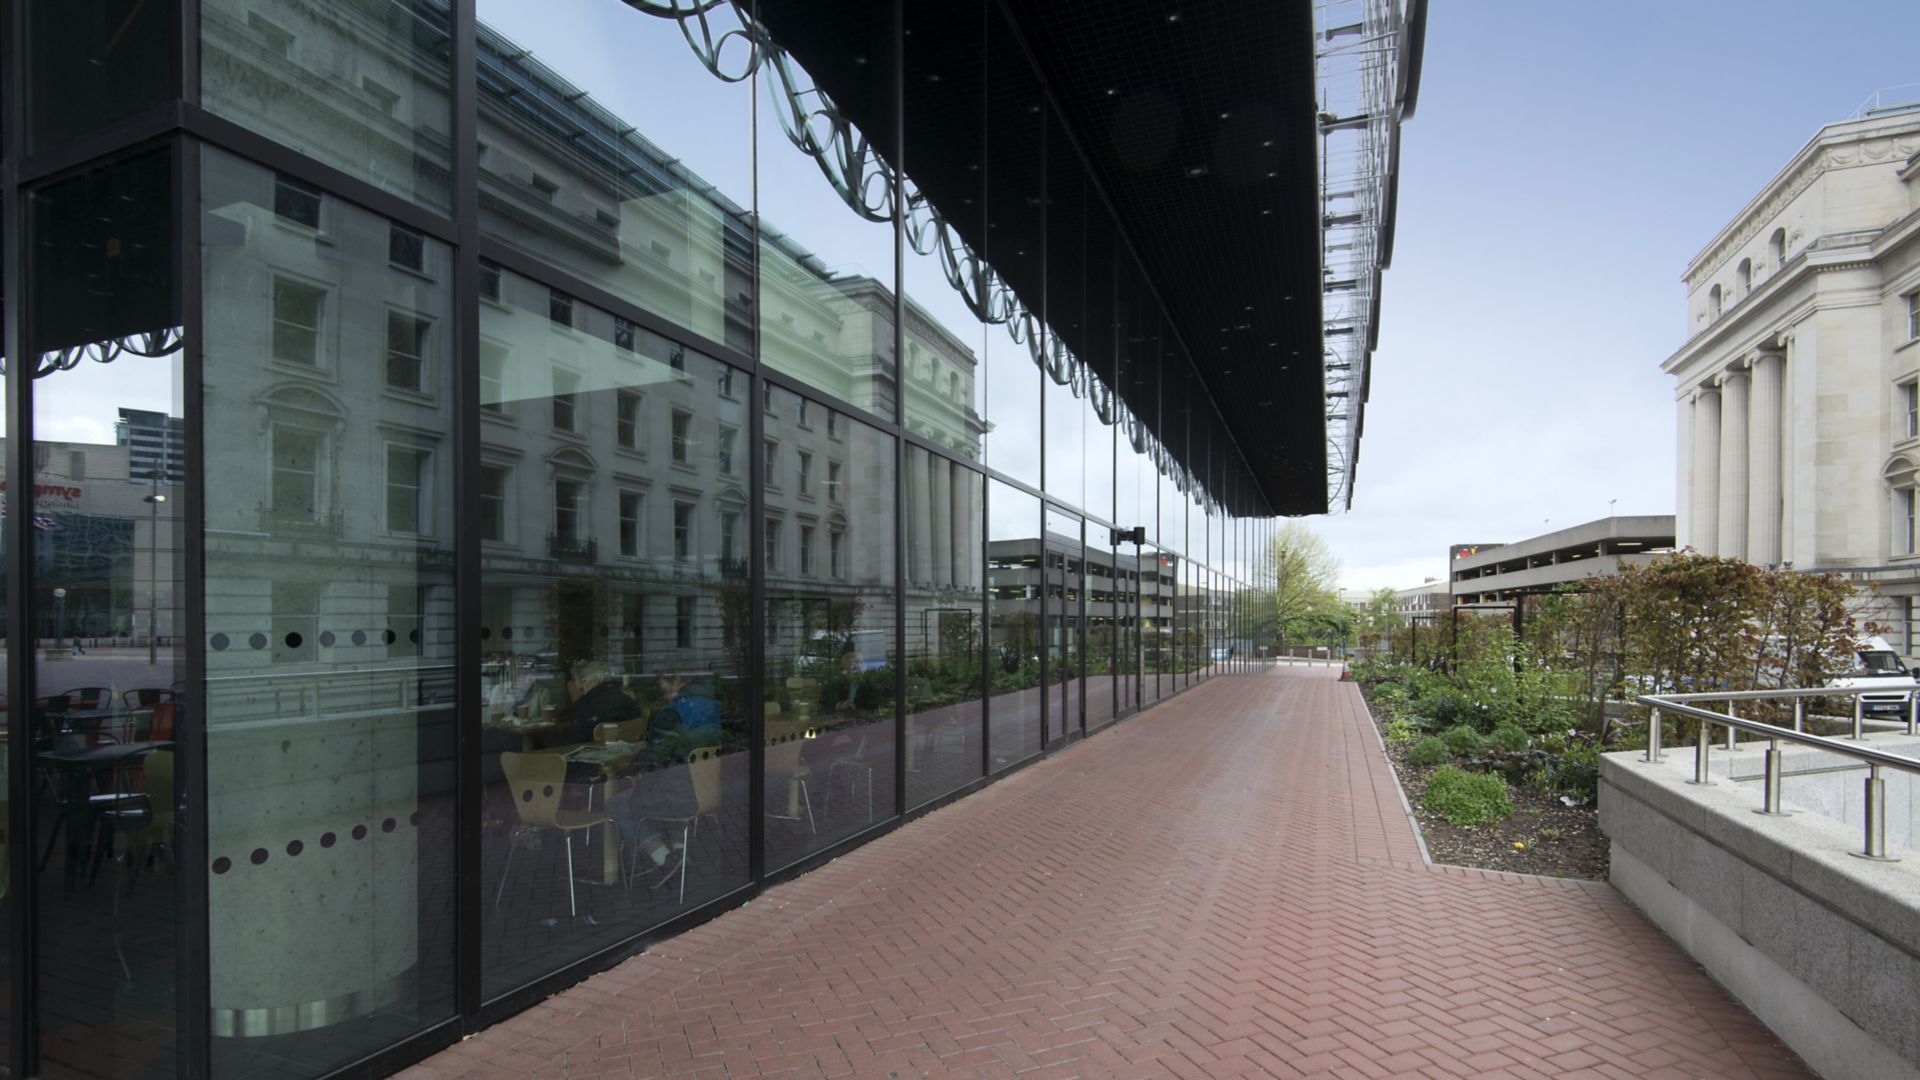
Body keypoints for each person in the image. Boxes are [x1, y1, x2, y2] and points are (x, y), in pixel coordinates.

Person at [565, 660, 638, 745]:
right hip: (629, 752)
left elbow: (575, 739)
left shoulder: (587, 705)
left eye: (582, 684)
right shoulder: (628, 700)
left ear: (592, 681)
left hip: (593, 751)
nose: (579, 688)